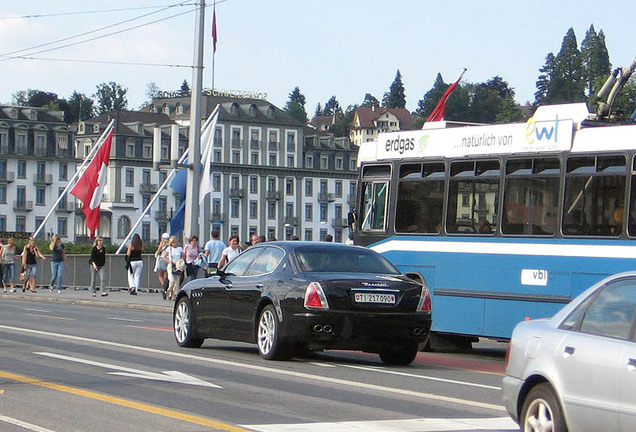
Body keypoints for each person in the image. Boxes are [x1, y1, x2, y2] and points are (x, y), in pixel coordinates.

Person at [162, 236, 183, 301]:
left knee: (177, 282)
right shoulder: (169, 249)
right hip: (171, 266)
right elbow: (164, 257)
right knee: (172, 280)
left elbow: (182, 256)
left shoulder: (179, 249)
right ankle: (168, 291)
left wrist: (181, 261)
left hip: (178, 266)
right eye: (173, 243)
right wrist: (169, 261)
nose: (175, 244)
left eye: (175, 242)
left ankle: (175, 294)